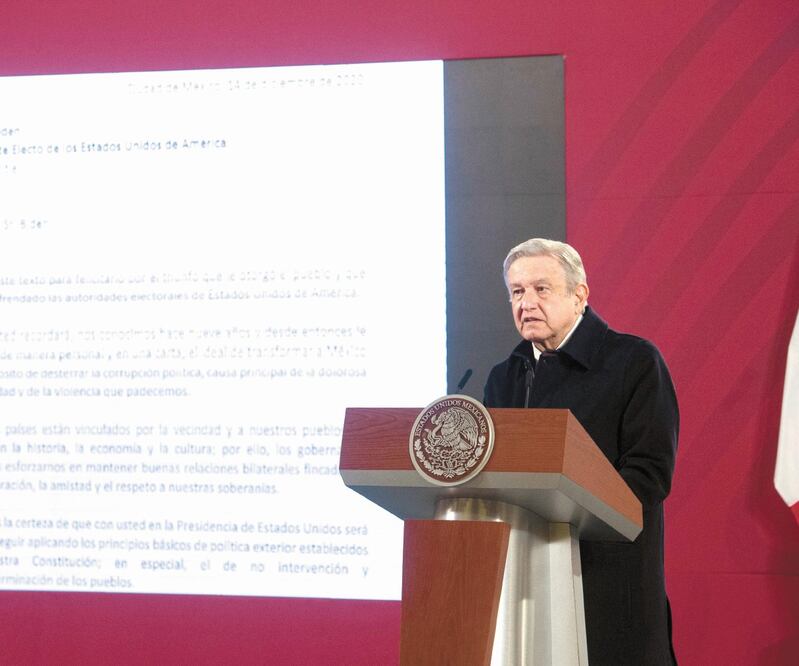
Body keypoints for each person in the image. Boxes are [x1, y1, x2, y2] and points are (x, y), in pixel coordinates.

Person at [483, 238, 679, 665]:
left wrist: (568, 514)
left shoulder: (634, 362)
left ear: (579, 295)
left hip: (609, 583)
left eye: (541, 289)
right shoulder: (506, 378)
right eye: (517, 292)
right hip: (528, 583)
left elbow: (649, 475)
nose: (527, 303)